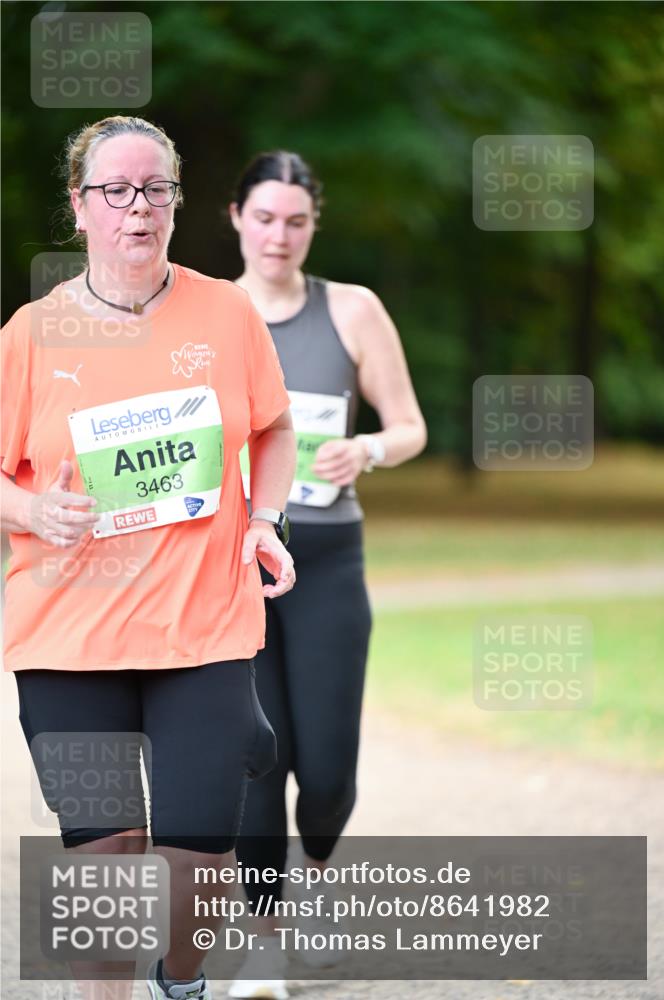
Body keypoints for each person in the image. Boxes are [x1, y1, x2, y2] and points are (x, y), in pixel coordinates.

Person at [1, 117, 297, 1000]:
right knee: (106, 857)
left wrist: (266, 518)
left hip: (201, 624)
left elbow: (275, 428)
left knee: (195, 858)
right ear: (79, 207)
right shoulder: (30, 333)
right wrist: (29, 506)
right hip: (67, 631)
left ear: (176, 200)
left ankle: (182, 978)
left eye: (156, 189)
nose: (139, 208)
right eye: (117, 191)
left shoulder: (226, 312)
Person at [227, 151, 427, 999]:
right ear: (235, 217)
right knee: (256, 760)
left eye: (296, 221)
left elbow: (410, 425)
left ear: (313, 226)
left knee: (329, 771)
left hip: (329, 561)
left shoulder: (352, 309)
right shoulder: (203, 310)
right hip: (231, 567)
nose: (279, 235)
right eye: (264, 217)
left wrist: (368, 449)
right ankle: (264, 945)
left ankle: (316, 872)